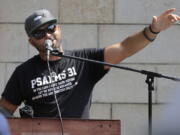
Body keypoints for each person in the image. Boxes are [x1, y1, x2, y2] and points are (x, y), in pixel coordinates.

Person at [0, 8, 179, 119]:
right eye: (39, 33)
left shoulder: (84, 60)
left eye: (50, 28)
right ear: (31, 42)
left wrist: (153, 30)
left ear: (59, 29)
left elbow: (125, 48)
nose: (47, 35)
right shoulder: (23, 72)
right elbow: (4, 111)